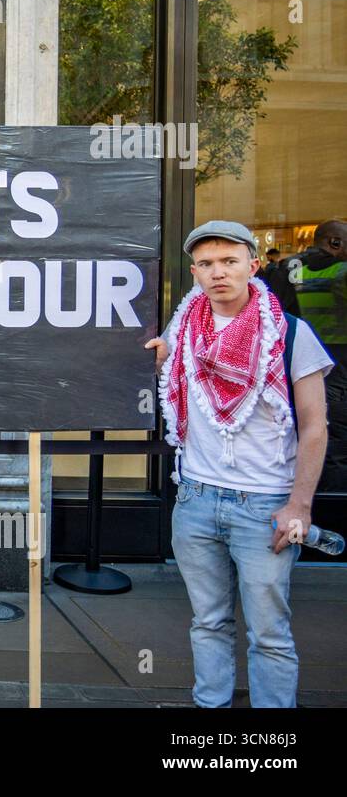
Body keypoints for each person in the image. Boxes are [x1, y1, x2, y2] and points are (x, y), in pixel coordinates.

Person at [146, 220, 334, 708]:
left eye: (229, 261)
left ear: (253, 265)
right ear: (194, 272)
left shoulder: (290, 334)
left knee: (270, 633)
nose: (218, 273)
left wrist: (300, 506)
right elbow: (174, 385)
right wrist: (162, 358)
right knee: (207, 622)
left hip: (265, 503)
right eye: (206, 264)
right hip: (196, 499)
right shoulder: (183, 329)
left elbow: (315, 427)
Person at [289, 220, 347, 486]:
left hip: (305, 356)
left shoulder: (293, 268)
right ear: (335, 242)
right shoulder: (342, 271)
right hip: (339, 355)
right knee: (335, 428)